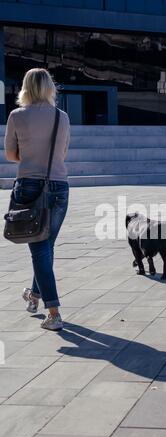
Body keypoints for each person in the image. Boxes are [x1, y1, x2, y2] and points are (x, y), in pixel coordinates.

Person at [4, 68, 70, 331]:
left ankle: (53, 313)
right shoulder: (61, 117)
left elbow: (10, 154)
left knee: (39, 248)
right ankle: (33, 297)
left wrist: (30, 159)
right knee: (46, 245)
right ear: (49, 88)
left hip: (30, 186)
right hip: (60, 186)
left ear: (26, 87)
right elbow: (62, 153)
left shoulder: (17, 116)